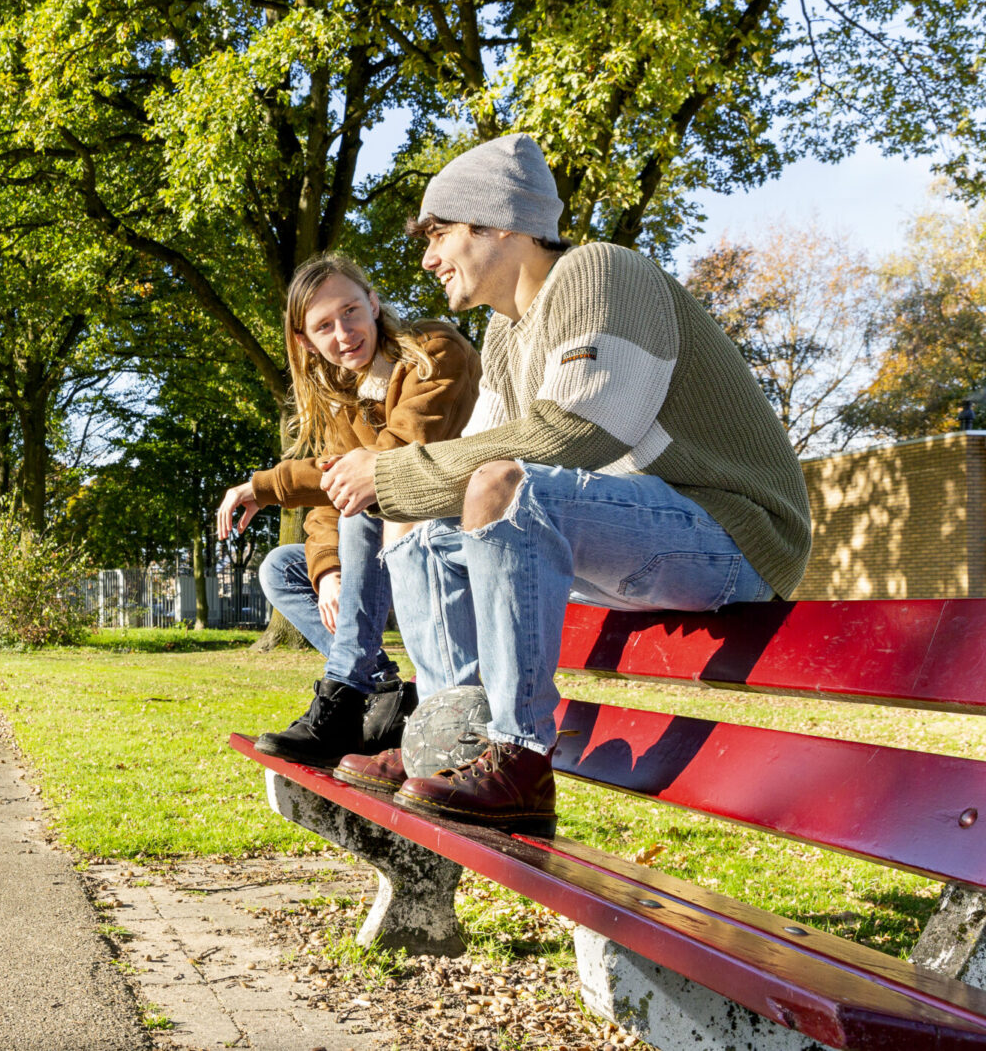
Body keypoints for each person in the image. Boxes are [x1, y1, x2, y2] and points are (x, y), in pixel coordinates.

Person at [323, 134, 811, 836]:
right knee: (420, 518)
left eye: (438, 233)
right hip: (634, 535)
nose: (428, 258)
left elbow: (577, 433)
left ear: (498, 222)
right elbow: (467, 469)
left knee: (494, 487)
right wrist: (401, 489)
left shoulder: (600, 273)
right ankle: (446, 742)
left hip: (734, 530)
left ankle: (519, 757)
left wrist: (396, 470)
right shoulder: (502, 331)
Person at [216, 252, 479, 767]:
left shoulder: (434, 351)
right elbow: (326, 505)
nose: (344, 333)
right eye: (324, 326)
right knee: (285, 567)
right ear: (305, 341)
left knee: (368, 493)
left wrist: (266, 485)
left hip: (454, 543)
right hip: (388, 558)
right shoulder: (342, 393)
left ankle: (343, 694)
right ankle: (382, 690)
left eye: (351, 311)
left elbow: (396, 460)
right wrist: (331, 569)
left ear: (374, 303)